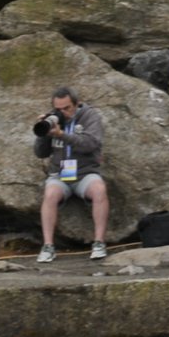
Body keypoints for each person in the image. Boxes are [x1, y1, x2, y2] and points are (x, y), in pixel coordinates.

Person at [34, 87, 110, 263]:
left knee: (99, 190)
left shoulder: (90, 117)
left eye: (67, 108)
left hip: (85, 173)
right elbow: (40, 153)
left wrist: (63, 135)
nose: (63, 113)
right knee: (50, 194)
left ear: (76, 104)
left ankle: (99, 242)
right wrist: (43, 134)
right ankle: (48, 246)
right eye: (58, 109)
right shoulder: (52, 120)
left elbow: (90, 144)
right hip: (60, 174)